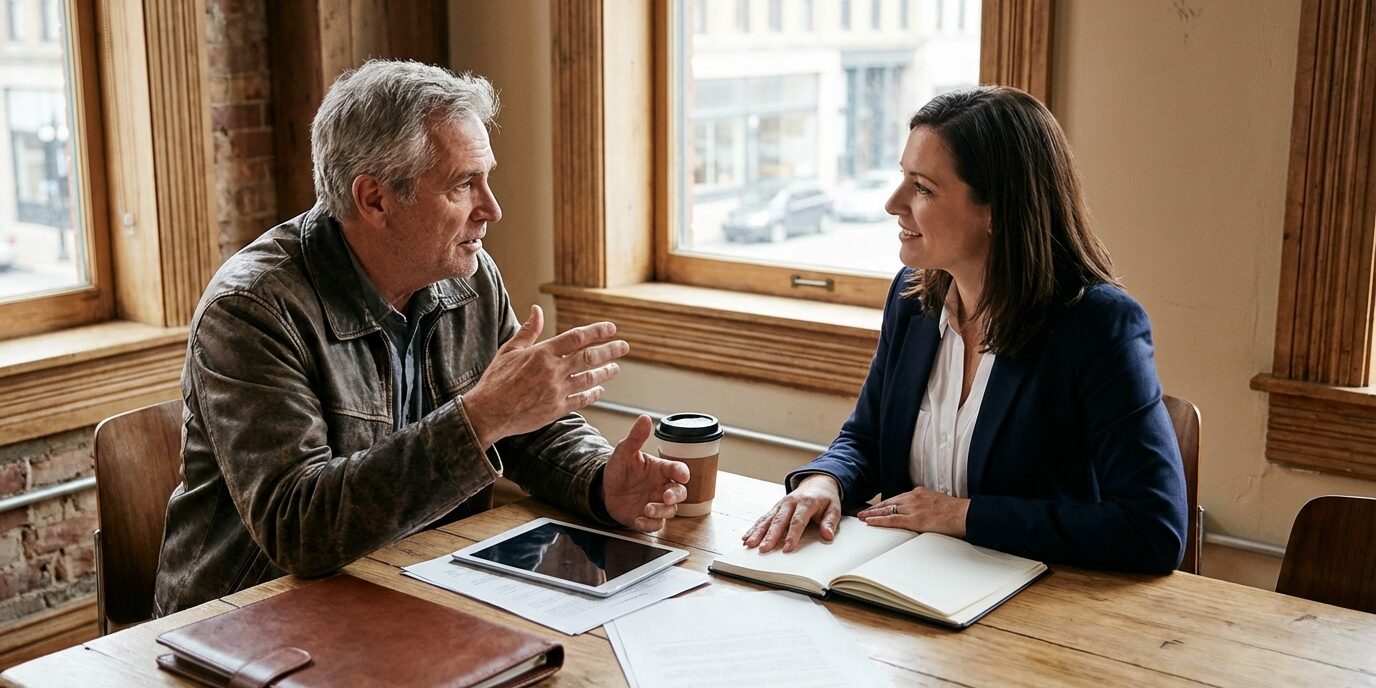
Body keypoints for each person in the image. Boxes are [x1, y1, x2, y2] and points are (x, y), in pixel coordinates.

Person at [153, 60, 689, 614]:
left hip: (413, 584)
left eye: (487, 178)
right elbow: (298, 529)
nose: (492, 209)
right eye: (463, 184)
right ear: (375, 199)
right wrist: (479, 417)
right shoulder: (252, 309)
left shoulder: (468, 277)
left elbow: (526, 429)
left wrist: (602, 483)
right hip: (248, 616)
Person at [742, 86, 1187, 573]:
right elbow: (866, 437)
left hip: (1042, 612)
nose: (893, 203)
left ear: (996, 208)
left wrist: (962, 516)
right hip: (910, 587)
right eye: (902, 178)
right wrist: (826, 481)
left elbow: (1153, 529)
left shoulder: (1098, 326)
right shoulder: (912, 298)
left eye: (923, 188)